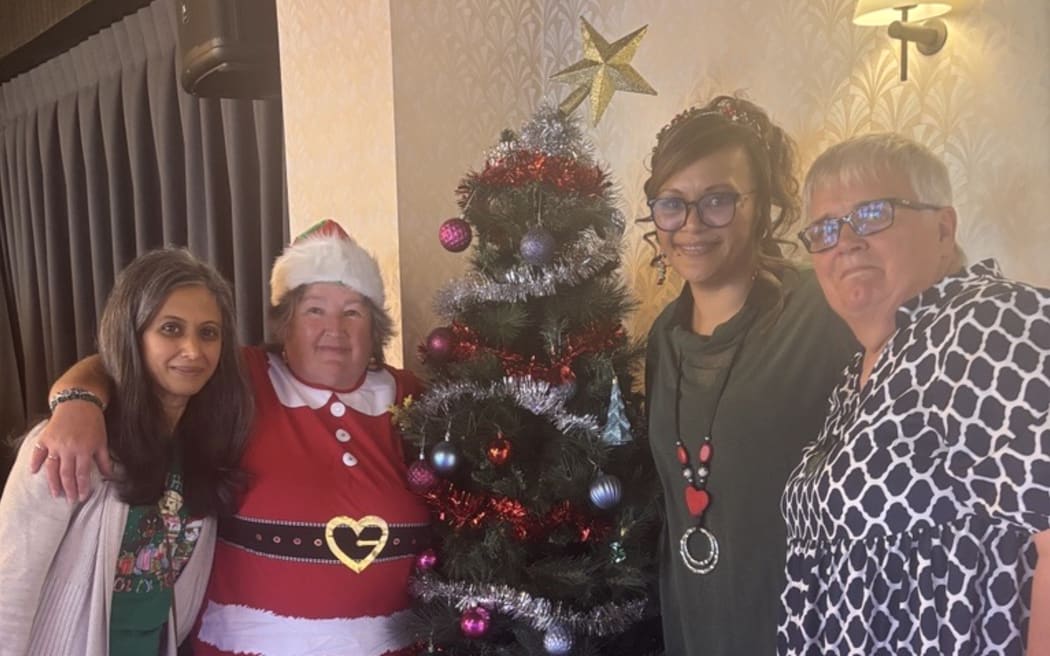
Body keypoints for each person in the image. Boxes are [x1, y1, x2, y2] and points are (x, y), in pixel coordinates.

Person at [33, 220, 430, 656]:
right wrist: (77, 401)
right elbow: (132, 364)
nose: (334, 328)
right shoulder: (241, 376)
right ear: (285, 323)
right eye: (314, 310)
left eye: (353, 311)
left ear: (375, 328)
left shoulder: (410, 397)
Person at [780, 133, 1050, 655]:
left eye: (873, 214)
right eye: (825, 228)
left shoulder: (987, 324)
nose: (846, 241)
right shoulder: (866, 369)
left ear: (944, 228)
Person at [640, 95, 857, 655]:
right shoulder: (663, 337)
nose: (690, 225)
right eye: (671, 204)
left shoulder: (822, 311)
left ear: (762, 206)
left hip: (800, 629)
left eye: (718, 200)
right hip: (698, 625)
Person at [0, 248, 252, 655]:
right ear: (131, 337)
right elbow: (9, 587)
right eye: (170, 329)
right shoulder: (68, 444)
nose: (193, 349)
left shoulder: (202, 448)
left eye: (208, 332)